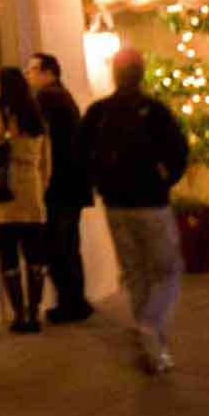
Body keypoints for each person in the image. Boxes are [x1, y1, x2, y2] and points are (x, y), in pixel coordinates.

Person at [81, 47, 190, 375]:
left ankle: (154, 349)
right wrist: (165, 180)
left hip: (116, 204)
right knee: (167, 270)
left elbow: (80, 152)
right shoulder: (153, 111)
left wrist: (102, 183)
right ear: (141, 74)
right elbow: (178, 150)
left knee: (136, 272)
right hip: (151, 202)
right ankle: (150, 325)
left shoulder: (99, 111)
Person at [0, 67, 53, 334]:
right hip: (31, 193)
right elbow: (46, 162)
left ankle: (19, 315)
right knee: (35, 255)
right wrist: (39, 186)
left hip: (2, 197)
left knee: (9, 257)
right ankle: (34, 312)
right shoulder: (35, 117)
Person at [24, 52, 95, 323]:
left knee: (58, 245)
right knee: (69, 244)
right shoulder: (61, 96)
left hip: (60, 184)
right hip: (72, 183)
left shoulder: (48, 98)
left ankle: (72, 303)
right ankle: (75, 300)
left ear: (49, 72)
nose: (29, 75)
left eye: (33, 70)